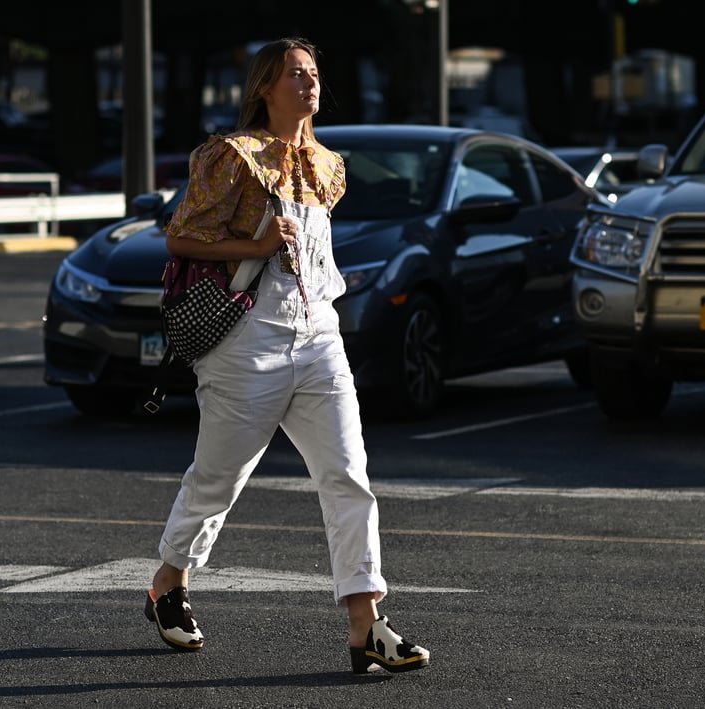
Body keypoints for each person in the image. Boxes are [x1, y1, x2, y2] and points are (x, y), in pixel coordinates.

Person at [143, 37, 430, 675]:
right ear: (264, 88)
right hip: (249, 341)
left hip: (320, 335)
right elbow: (179, 238)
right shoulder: (232, 158)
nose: (309, 84)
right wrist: (259, 241)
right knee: (220, 479)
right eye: (295, 75)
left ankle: (368, 625)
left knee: (348, 475)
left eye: (314, 74)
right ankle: (168, 584)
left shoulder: (327, 164)